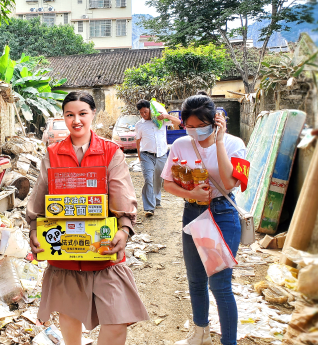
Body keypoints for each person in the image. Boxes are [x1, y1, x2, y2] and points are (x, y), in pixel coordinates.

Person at [27, 91, 149, 345]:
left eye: (83, 113)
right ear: (63, 117)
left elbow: (122, 195)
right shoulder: (52, 154)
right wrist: (34, 229)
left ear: (93, 114)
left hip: (103, 255)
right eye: (70, 115)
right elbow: (40, 197)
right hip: (66, 257)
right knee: (70, 320)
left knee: (117, 323)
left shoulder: (110, 152)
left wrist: (124, 230)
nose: (76, 120)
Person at [160, 94, 246, 345]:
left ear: (215, 121)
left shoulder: (235, 144)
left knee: (220, 284)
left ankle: (228, 342)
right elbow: (167, 184)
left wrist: (218, 142)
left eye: (202, 126)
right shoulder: (179, 146)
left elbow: (230, 184)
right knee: (195, 280)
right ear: (183, 124)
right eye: (190, 126)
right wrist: (190, 193)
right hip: (193, 212)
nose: (196, 131)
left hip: (222, 214)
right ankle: (200, 333)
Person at [134, 99, 181, 216]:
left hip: (161, 155)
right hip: (146, 155)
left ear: (150, 110)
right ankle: (149, 208)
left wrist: (166, 115)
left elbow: (178, 122)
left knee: (158, 179)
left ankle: (157, 200)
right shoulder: (139, 125)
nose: (144, 115)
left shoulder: (161, 120)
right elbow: (138, 140)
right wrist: (139, 156)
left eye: (145, 112)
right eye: (141, 113)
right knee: (148, 179)